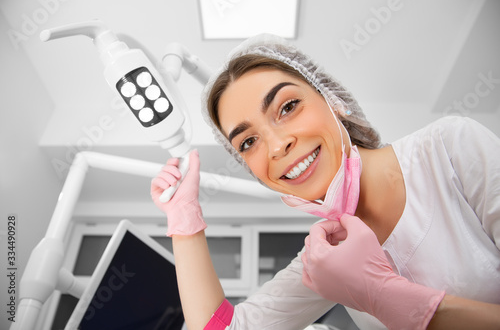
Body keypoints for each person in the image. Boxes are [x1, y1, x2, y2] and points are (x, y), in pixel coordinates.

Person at [150, 34, 500, 330]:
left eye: (287, 107)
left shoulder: (449, 150)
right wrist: (185, 224)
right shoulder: (325, 259)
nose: (276, 145)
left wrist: (384, 295)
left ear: (334, 101)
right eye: (248, 142)